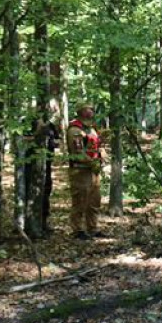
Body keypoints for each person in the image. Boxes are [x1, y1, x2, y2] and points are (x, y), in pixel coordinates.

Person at [65, 102, 103, 240]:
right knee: (80, 201)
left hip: (94, 171)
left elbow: (96, 146)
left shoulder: (91, 129)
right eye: (88, 108)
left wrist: (101, 154)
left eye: (92, 108)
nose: (91, 110)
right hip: (80, 171)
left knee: (94, 202)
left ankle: (92, 228)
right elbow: (77, 153)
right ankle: (77, 230)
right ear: (81, 111)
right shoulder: (75, 130)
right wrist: (91, 162)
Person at [24, 105, 61, 233]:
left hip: (47, 165)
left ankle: (43, 222)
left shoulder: (51, 125)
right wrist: (38, 133)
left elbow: (57, 141)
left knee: (46, 192)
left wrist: (53, 141)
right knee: (31, 191)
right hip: (31, 165)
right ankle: (28, 223)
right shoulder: (28, 123)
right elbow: (24, 141)